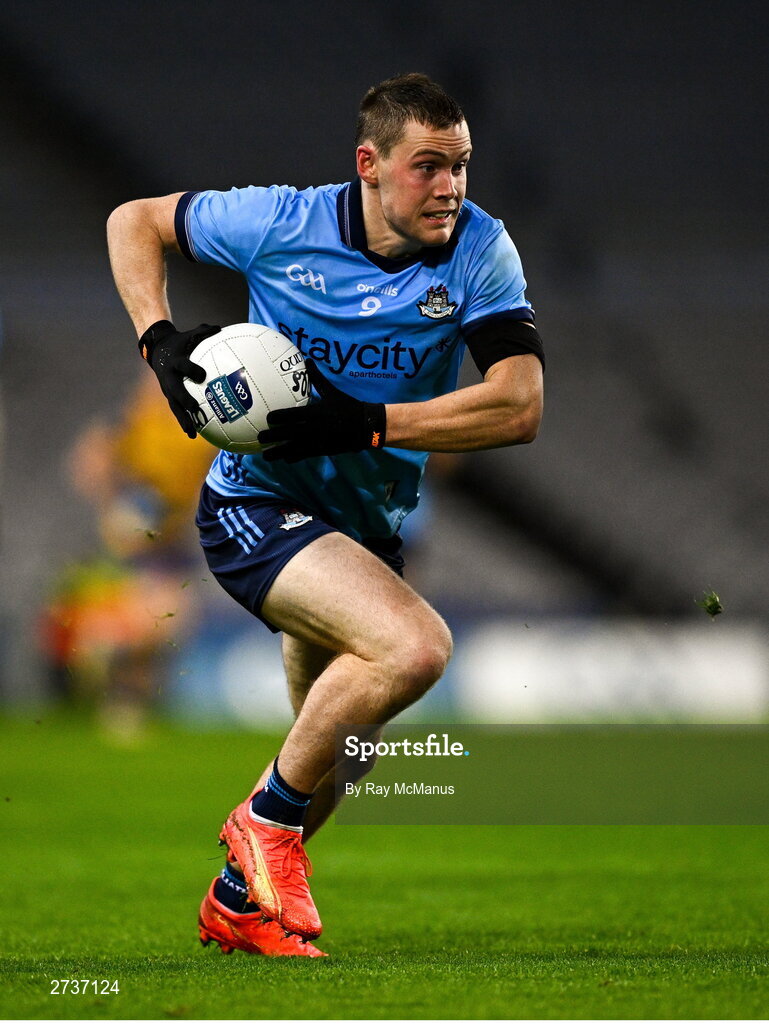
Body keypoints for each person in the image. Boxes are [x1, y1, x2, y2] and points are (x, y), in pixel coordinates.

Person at [106, 72, 545, 958]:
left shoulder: (478, 249)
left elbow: (518, 404)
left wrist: (368, 422)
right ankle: (259, 826)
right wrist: (159, 343)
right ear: (370, 164)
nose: (450, 187)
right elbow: (134, 220)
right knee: (415, 648)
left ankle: (238, 901)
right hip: (256, 505)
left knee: (344, 757)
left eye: (459, 166)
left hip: (365, 531)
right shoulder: (281, 221)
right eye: (428, 167)